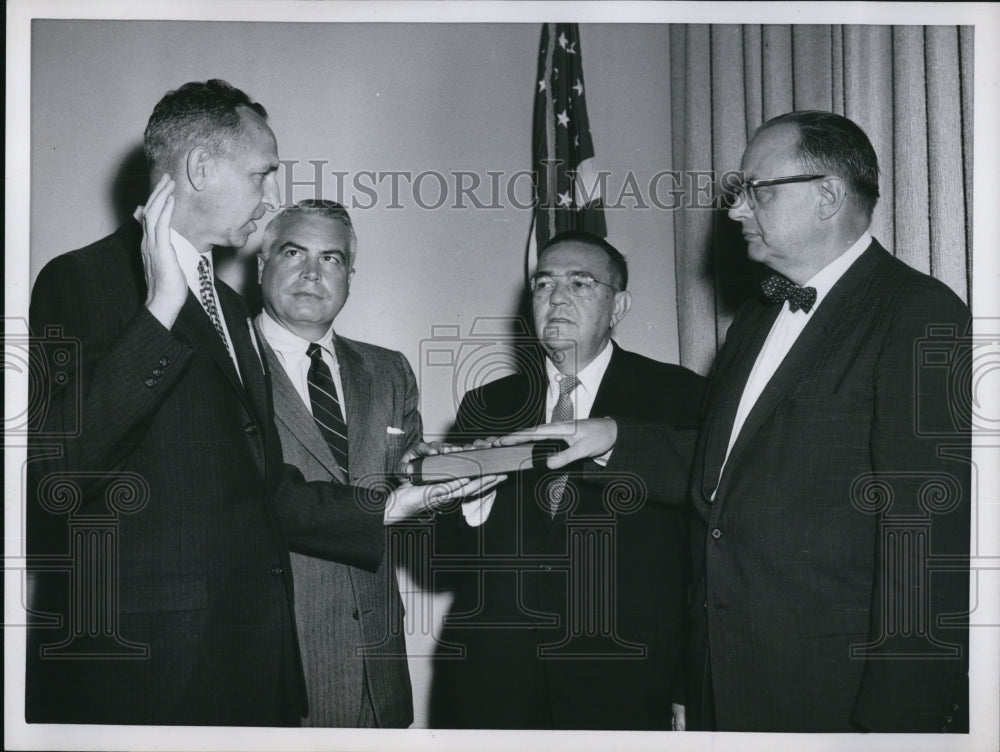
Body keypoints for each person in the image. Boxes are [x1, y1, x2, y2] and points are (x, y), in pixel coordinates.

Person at [26, 79, 491, 726]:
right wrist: (159, 310)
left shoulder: (234, 310)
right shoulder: (81, 280)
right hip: (147, 675)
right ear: (199, 167)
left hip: (253, 665)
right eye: (261, 175)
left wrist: (391, 505)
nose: (270, 197)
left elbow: (262, 488)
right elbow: (61, 470)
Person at [501, 111, 971, 733]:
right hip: (726, 679)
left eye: (756, 190)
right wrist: (612, 437)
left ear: (828, 195)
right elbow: (726, 475)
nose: (735, 211)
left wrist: (894, 726)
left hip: (831, 690)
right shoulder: (755, 318)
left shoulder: (917, 312)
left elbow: (925, 540)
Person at [427, 231, 706, 730]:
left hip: (626, 684)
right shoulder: (486, 407)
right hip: (494, 690)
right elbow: (444, 566)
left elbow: (705, 561)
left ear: (619, 305)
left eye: (580, 283)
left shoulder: (682, 398)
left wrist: (691, 683)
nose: (556, 297)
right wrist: (457, 497)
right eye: (543, 284)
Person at [255, 199, 419, 727]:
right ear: (262, 262)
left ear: (350, 275)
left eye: (330, 259)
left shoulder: (389, 370)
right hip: (277, 680)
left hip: (381, 681)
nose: (311, 272)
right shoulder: (223, 364)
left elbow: (408, 503)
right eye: (293, 251)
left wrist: (450, 482)